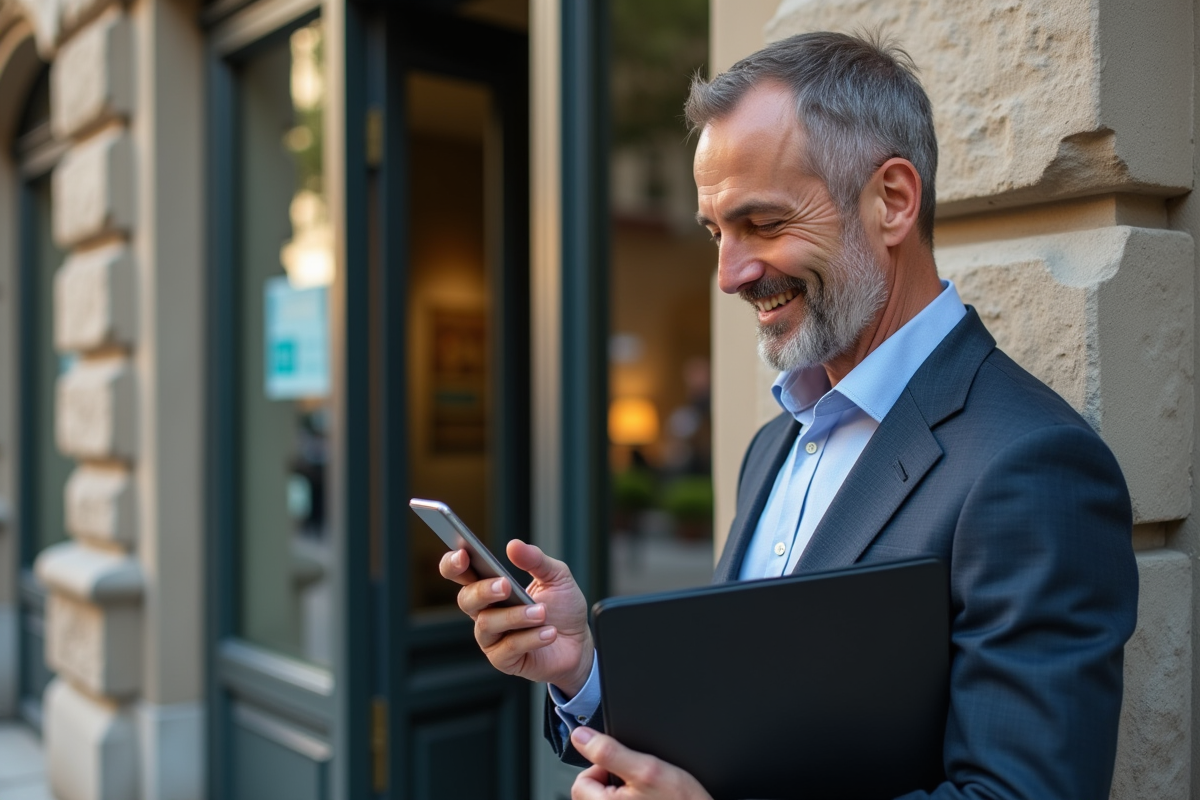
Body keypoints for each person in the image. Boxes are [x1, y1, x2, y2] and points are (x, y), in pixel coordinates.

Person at [440, 31, 1137, 800]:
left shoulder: (1033, 465)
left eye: (763, 224)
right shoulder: (776, 445)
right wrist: (582, 670)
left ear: (893, 201)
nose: (729, 274)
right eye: (716, 232)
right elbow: (740, 725)